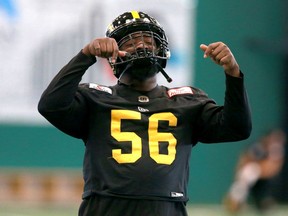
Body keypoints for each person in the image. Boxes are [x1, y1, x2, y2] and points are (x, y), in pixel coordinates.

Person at [38, 11, 252, 216]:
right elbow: (50, 106)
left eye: (149, 42)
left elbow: (237, 128)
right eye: (130, 43)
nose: (141, 46)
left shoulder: (187, 100)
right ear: (113, 55)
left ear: (162, 50)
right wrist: (85, 55)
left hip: (167, 208)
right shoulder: (96, 98)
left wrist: (233, 73)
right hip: (106, 207)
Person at [224, 129, 286, 213]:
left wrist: (259, 169)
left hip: (265, 182)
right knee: (250, 171)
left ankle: (264, 200)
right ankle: (235, 200)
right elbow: (244, 162)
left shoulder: (275, 151)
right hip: (251, 178)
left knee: (255, 172)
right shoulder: (257, 147)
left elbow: (272, 169)